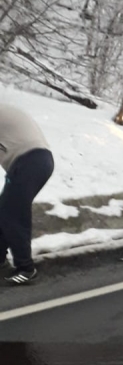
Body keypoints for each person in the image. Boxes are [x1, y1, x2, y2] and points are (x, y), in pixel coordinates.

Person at [0, 104, 55, 285]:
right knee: (6, 210)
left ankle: (26, 268)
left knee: (12, 215)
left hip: (30, 161)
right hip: (35, 160)